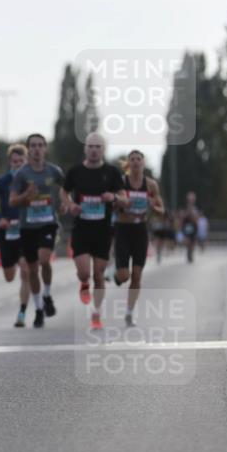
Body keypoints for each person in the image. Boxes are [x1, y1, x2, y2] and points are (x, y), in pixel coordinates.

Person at [61, 132, 127, 330]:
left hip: (103, 230)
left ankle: (96, 313)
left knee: (99, 274)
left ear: (103, 150)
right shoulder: (75, 172)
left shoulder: (112, 173)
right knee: (84, 272)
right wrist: (70, 204)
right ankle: (83, 283)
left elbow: (125, 198)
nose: (94, 150)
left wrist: (113, 198)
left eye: (98, 147)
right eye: (91, 146)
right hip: (81, 228)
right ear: (85, 149)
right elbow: (63, 191)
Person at [9, 134, 64, 327]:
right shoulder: (22, 174)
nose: (37, 149)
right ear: (28, 149)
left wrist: (66, 201)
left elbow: (67, 186)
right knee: (32, 270)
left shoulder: (53, 171)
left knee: (44, 260)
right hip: (28, 226)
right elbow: (12, 201)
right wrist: (26, 195)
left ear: (45, 148)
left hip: (48, 223)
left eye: (41, 145)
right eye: (33, 146)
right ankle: (39, 308)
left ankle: (47, 294)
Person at [113, 150, 165, 326]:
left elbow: (162, 210)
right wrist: (119, 202)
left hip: (140, 231)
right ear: (128, 163)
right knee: (124, 276)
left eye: (138, 159)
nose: (135, 162)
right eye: (132, 159)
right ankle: (118, 275)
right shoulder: (121, 182)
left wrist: (153, 206)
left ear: (143, 163)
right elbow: (112, 204)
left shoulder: (151, 185)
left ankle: (129, 312)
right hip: (123, 230)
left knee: (136, 275)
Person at [0, 143, 31, 327]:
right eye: (14, 161)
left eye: (21, 161)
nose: (17, 164)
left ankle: (22, 313)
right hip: (7, 231)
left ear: (26, 162)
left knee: (25, 271)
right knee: (9, 276)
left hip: (26, 232)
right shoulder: (2, 182)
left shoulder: (31, 182)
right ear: (10, 162)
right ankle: (15, 264)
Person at [180, 192, 199, 263]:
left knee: (193, 242)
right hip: (187, 226)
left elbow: (196, 219)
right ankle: (188, 252)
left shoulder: (195, 209)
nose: (191, 201)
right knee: (188, 241)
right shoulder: (185, 208)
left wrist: (194, 218)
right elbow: (182, 218)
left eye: (192, 199)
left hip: (193, 227)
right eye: (190, 199)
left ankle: (191, 252)